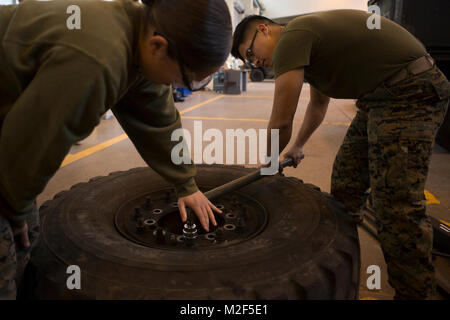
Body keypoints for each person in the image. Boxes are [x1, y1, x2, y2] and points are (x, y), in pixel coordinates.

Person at [0, 0, 232, 299]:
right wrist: (13, 210)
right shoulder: (96, 59)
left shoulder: (137, 39)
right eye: (186, 78)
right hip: (14, 137)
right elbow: (32, 143)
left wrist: (186, 183)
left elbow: (158, 119)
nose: (179, 86)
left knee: (26, 238)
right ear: (159, 45)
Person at [231, 11, 450, 299]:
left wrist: (271, 162)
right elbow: (318, 107)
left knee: (396, 205)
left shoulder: (292, 37)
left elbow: (281, 119)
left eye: (251, 51)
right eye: (249, 61)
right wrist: (296, 145)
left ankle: (415, 293)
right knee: (346, 182)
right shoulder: (309, 47)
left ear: (264, 29)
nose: (255, 61)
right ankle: (341, 261)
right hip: (379, 98)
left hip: (410, 90)